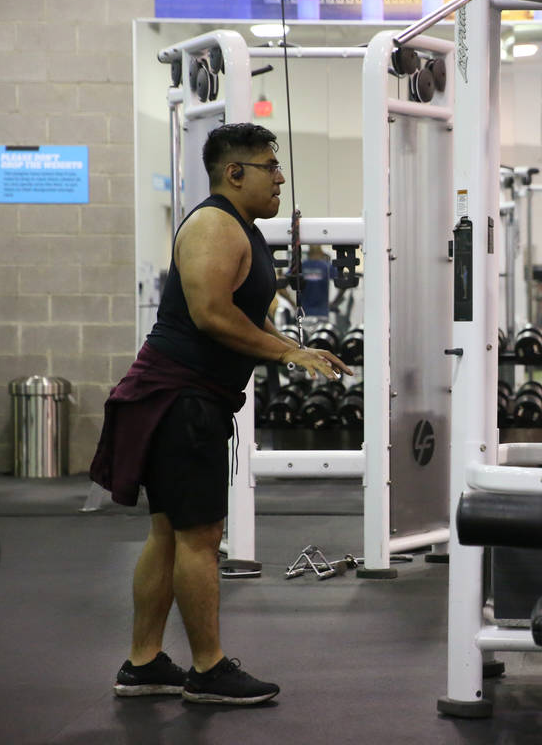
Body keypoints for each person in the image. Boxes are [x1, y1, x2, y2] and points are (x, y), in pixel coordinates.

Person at [91, 123, 349, 705]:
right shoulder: (213, 225)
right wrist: (286, 351)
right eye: (269, 166)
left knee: (170, 535)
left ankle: (144, 663)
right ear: (235, 173)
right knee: (200, 538)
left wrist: (292, 346)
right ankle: (207, 670)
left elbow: (241, 314)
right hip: (179, 400)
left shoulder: (243, 230)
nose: (280, 177)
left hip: (187, 399)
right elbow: (210, 313)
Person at [298, 244, 331, 320]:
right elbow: (343, 282)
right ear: (321, 252)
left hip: (304, 314)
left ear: (309, 253)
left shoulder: (301, 266)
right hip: (322, 314)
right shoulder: (327, 266)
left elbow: (282, 283)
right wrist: (336, 302)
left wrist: (293, 303)